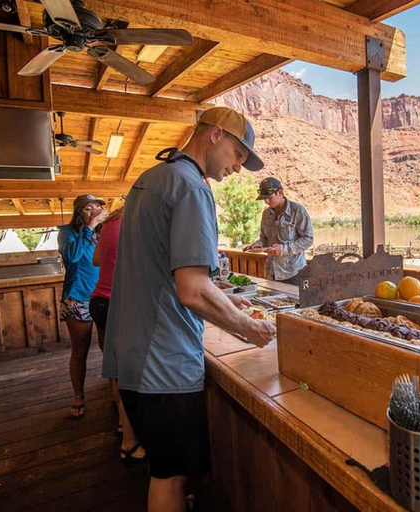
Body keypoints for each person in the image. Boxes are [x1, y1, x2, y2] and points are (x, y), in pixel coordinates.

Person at [102, 106, 276, 512]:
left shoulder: (152, 179)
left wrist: (226, 298)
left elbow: (163, 273)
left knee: (164, 469)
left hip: (132, 356)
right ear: (215, 135)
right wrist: (247, 330)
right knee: (169, 476)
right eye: (237, 154)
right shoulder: (193, 188)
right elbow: (192, 292)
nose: (238, 166)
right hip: (163, 366)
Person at [89, 207, 146, 464]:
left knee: (115, 366)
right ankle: (130, 442)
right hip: (120, 302)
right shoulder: (135, 224)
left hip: (99, 301)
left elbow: (97, 260)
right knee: (130, 373)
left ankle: (123, 425)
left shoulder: (109, 225)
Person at [58, 194, 107, 419]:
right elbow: (72, 256)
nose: (95, 211)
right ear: (80, 213)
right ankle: (78, 395)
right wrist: (89, 227)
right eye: (89, 208)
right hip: (78, 298)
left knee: (110, 348)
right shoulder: (68, 232)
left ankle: (114, 392)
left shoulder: (102, 233)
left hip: (103, 296)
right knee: (80, 350)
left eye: (97, 207)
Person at [243, 177, 313, 284]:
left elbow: (308, 239)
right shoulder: (266, 214)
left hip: (294, 273)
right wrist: (259, 244)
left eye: (269, 198)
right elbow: (264, 238)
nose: (266, 202)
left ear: (280, 192)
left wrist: (283, 249)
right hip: (271, 273)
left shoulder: (298, 211)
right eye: (264, 199)